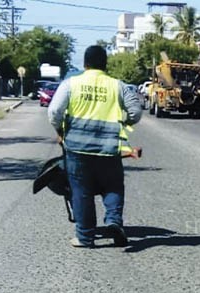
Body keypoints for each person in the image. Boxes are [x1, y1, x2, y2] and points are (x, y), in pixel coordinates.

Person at [48, 45, 142, 248]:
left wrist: (60, 130)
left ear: (85, 63)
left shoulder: (71, 84)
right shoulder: (118, 86)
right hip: (109, 148)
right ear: (105, 64)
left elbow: (54, 110)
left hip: (77, 148)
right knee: (113, 186)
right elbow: (136, 111)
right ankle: (114, 221)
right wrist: (124, 123)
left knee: (81, 190)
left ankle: (85, 237)